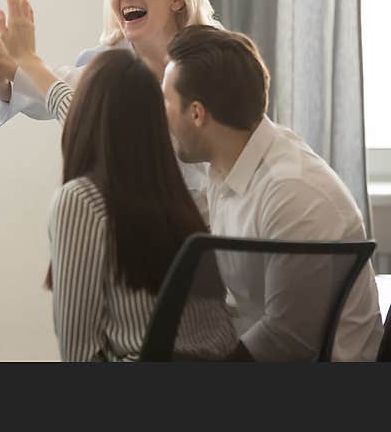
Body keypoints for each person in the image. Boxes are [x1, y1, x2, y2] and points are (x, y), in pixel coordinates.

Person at [0, 0, 236, 361]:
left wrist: (24, 62)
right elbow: (83, 110)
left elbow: (80, 354)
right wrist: (19, 66)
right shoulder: (187, 202)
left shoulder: (82, 201)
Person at [0, 0, 220, 211]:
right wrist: (0, 74)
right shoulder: (108, 62)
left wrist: (22, 61)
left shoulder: (218, 58)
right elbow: (59, 90)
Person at [162, 25, 384, 361]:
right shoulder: (225, 164)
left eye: (165, 101)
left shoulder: (292, 192)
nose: (160, 115)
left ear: (196, 114)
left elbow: (287, 339)